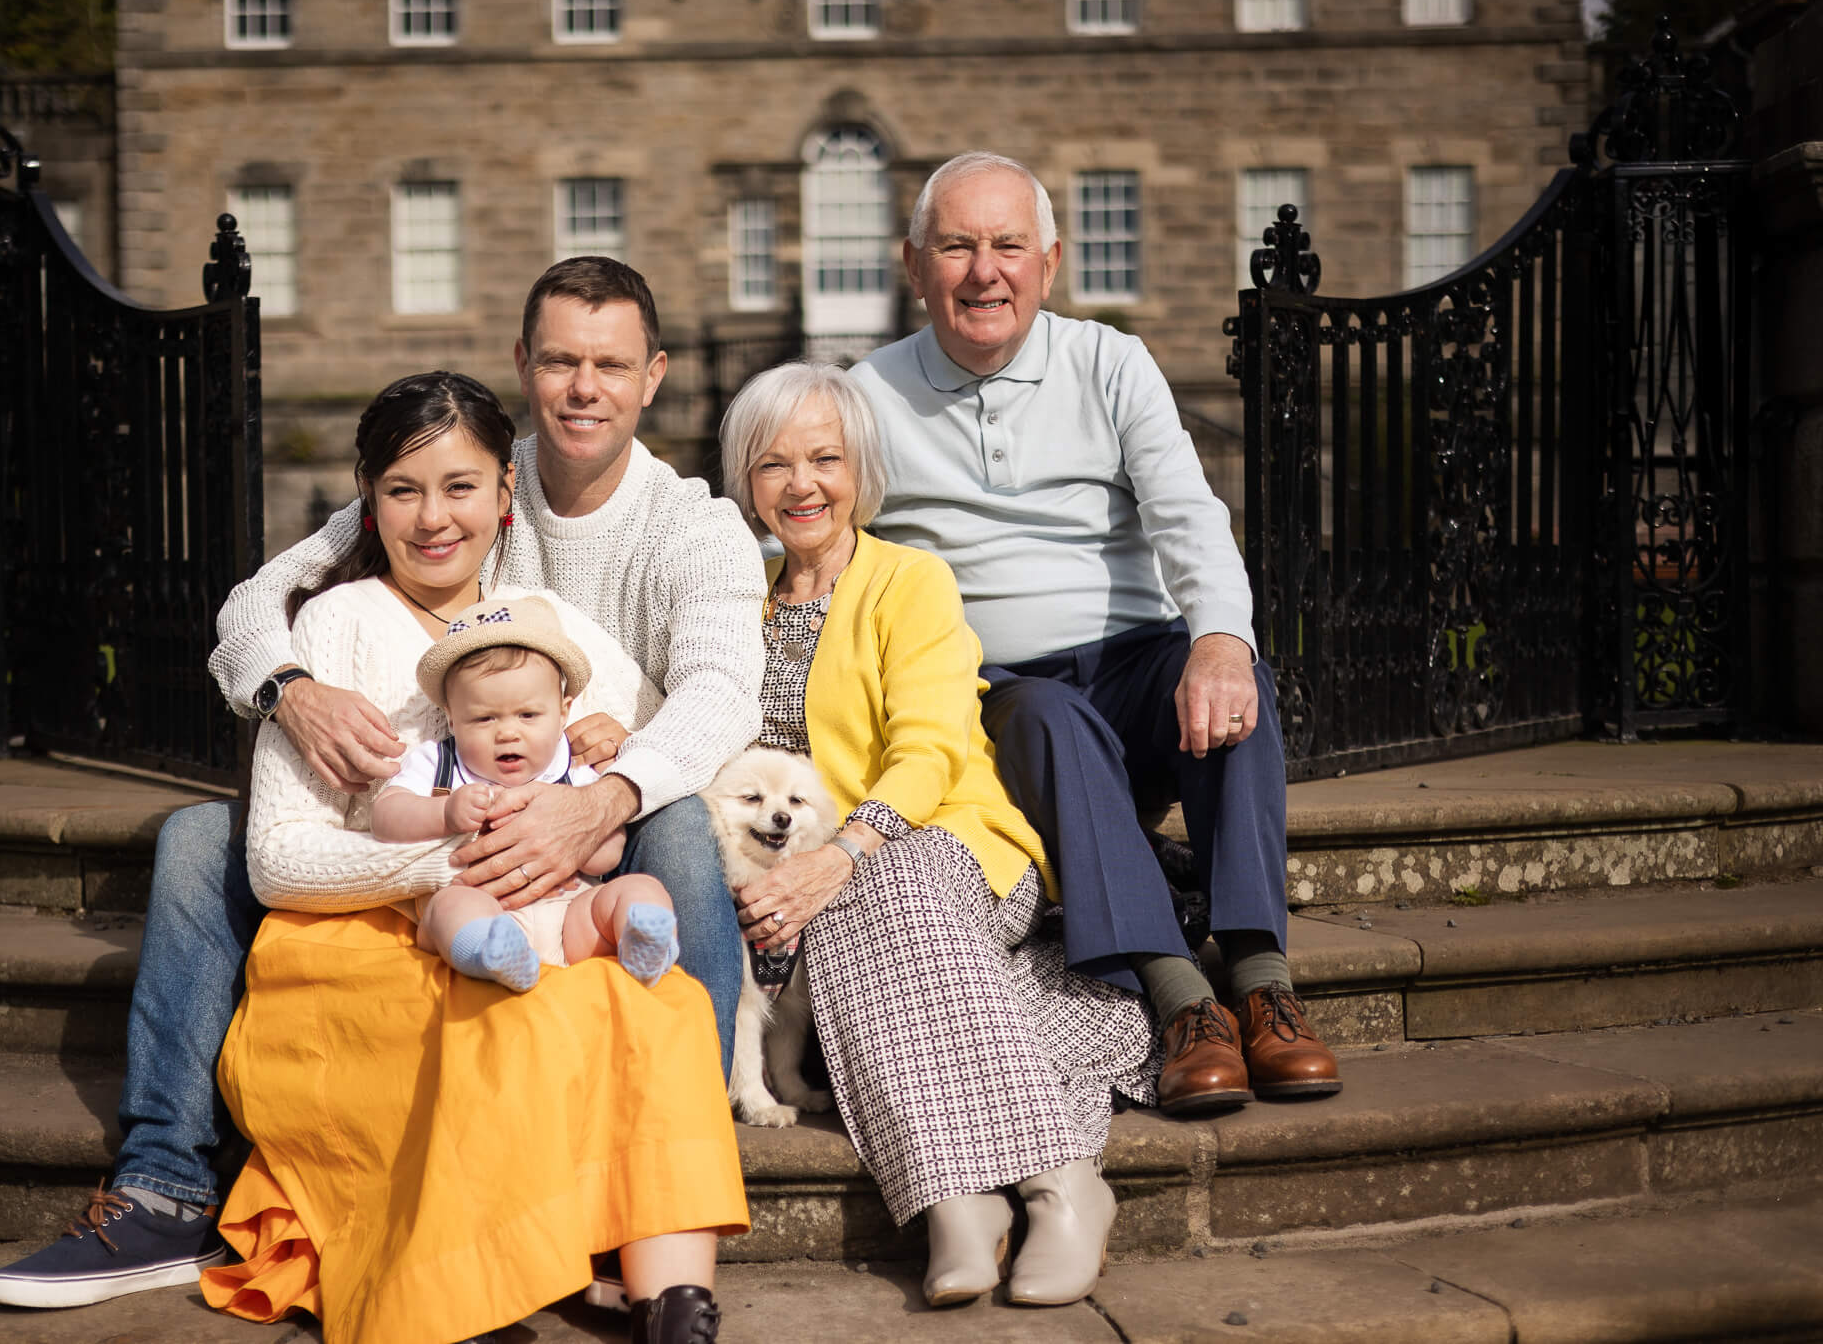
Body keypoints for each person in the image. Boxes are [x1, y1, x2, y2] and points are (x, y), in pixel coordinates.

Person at [0, 257, 764, 1310]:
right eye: (561, 361)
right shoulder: (454, 466)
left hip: (606, 791)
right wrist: (291, 690)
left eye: (611, 365)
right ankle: (165, 1182)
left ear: (654, 375)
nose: (584, 388)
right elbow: (260, 604)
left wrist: (601, 791)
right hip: (428, 813)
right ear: (523, 365)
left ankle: (666, 1182)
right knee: (196, 842)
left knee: (671, 844)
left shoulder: (690, 526)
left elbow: (716, 701)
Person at [199, 370, 744, 1344]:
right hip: (359, 932)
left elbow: (661, 725)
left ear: (505, 498)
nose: (432, 517)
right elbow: (279, 863)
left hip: (528, 911)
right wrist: (449, 859)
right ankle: (470, 1281)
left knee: (651, 1002)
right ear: (368, 506)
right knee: (500, 1015)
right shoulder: (333, 624)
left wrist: (614, 738)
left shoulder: (540, 620)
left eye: (459, 487)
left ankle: (672, 1289)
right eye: (403, 491)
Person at [850, 152, 1341, 1118]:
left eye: (1007, 245)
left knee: (1236, 680)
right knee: (1044, 716)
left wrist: (1220, 643)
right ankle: (1180, 1001)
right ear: (915, 265)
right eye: (956, 246)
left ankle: (1261, 977)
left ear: (1050, 261)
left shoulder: (1109, 361)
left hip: (1132, 658)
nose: (984, 270)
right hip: (999, 693)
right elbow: (807, 521)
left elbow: (1190, 516)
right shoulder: (865, 397)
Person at [718, 361, 1159, 1309]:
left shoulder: (908, 580)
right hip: (798, 864)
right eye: (774, 464)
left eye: (825, 458)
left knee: (876, 892)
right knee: (838, 918)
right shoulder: (734, 600)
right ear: (745, 481)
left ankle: (1060, 1183)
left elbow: (927, 751)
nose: (802, 485)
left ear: (861, 470)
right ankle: (961, 1199)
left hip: (950, 840)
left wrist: (844, 851)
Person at [373, 595, 678, 991]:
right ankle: (490, 953)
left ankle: (644, 938)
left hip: (571, 916)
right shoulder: (440, 762)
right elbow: (385, 816)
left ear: (563, 711)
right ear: (451, 717)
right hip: (485, 904)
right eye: (484, 718)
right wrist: (444, 813)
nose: (508, 732)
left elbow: (610, 849)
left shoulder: (574, 766)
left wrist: (576, 841)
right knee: (450, 908)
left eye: (528, 715)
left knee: (638, 889)